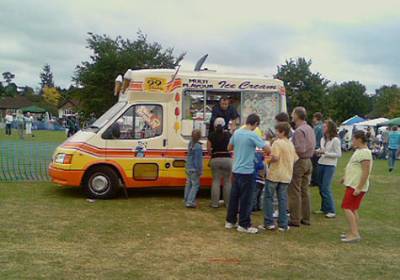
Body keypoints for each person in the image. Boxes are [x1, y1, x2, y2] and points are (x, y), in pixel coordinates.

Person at [225, 114, 271, 234]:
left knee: (234, 198)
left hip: (236, 170)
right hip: (247, 171)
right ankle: (244, 224)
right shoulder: (252, 135)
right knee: (246, 199)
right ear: (255, 124)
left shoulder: (237, 133)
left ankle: (230, 221)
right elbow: (267, 149)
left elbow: (229, 147)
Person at [259, 122, 298, 232]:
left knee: (268, 198)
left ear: (282, 132)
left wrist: (267, 160)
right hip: (286, 174)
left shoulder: (277, 143)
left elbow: (275, 157)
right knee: (282, 199)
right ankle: (283, 224)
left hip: (275, 174)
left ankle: (269, 222)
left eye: (277, 131)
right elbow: (295, 159)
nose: (276, 133)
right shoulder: (291, 144)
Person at [340, 130, 373, 243]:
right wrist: (345, 177)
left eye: (353, 139)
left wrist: (359, 187)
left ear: (359, 139)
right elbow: (354, 167)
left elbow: (365, 171)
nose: (352, 141)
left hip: (356, 186)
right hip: (353, 184)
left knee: (347, 207)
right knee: (352, 209)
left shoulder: (365, 153)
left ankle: (355, 234)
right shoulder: (359, 151)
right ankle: (353, 231)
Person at [288, 107, 316, 227]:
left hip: (300, 161)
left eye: (293, 114)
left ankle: (295, 219)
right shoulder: (309, 128)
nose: (291, 116)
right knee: (305, 191)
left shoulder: (299, 131)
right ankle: (306, 218)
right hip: (309, 161)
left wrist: (289, 147)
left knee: (294, 191)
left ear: (297, 116)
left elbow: (300, 149)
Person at [315, 120, 342, 218]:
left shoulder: (335, 140)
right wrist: (317, 151)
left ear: (330, 128)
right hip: (321, 163)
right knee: (321, 187)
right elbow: (322, 149)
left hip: (330, 165)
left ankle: (331, 210)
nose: (323, 128)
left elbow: (338, 154)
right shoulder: (323, 139)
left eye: (325, 127)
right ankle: (324, 208)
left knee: (326, 187)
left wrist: (325, 153)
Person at [207, 118, 232, 208]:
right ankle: (228, 203)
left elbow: (209, 150)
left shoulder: (211, 135)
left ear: (214, 125)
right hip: (227, 160)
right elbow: (231, 147)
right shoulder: (229, 135)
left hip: (215, 159)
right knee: (227, 182)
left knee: (216, 181)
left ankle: (214, 203)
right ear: (224, 125)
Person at [184, 129, 203, 208]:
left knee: (188, 184)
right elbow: (197, 160)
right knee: (195, 185)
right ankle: (190, 201)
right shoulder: (198, 146)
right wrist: (199, 170)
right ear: (199, 137)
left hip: (188, 167)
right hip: (194, 169)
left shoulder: (190, 143)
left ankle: (186, 198)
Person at [311, 112, 323, 187]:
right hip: (321, 148)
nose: (313, 119)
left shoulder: (317, 127)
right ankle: (319, 180)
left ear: (316, 118)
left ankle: (315, 181)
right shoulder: (323, 126)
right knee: (318, 165)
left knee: (314, 166)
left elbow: (312, 138)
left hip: (315, 148)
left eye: (313, 118)